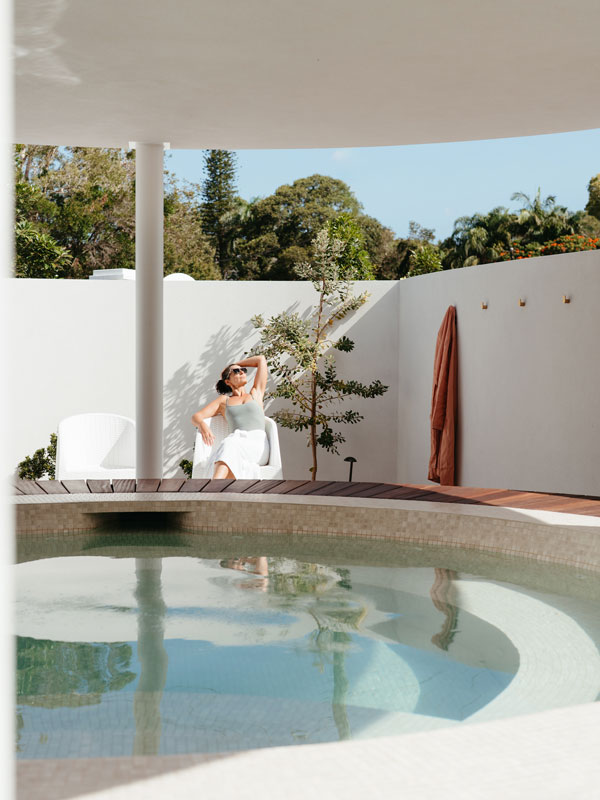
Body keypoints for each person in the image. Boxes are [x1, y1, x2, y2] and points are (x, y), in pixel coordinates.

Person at [191, 355, 268, 479]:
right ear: (228, 381)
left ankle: (210, 491)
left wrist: (234, 365)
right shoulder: (224, 401)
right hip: (235, 444)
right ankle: (215, 491)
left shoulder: (256, 393)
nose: (242, 371)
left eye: (243, 370)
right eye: (236, 371)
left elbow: (261, 360)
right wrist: (202, 425)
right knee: (229, 446)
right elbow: (196, 416)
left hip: (258, 445)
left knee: (229, 444)